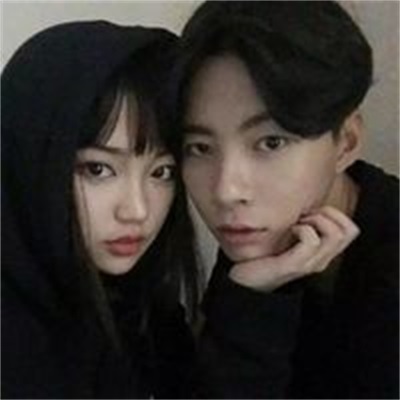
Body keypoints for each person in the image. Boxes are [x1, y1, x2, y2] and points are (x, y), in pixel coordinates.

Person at [171, 1, 399, 398]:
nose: (227, 191)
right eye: (200, 147)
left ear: (346, 143)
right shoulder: (265, 239)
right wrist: (251, 298)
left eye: (271, 142)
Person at [2, 21, 200, 399]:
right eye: (98, 169)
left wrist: (252, 297)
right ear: (30, 160)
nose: (137, 210)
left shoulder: (145, 312)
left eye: (162, 172)